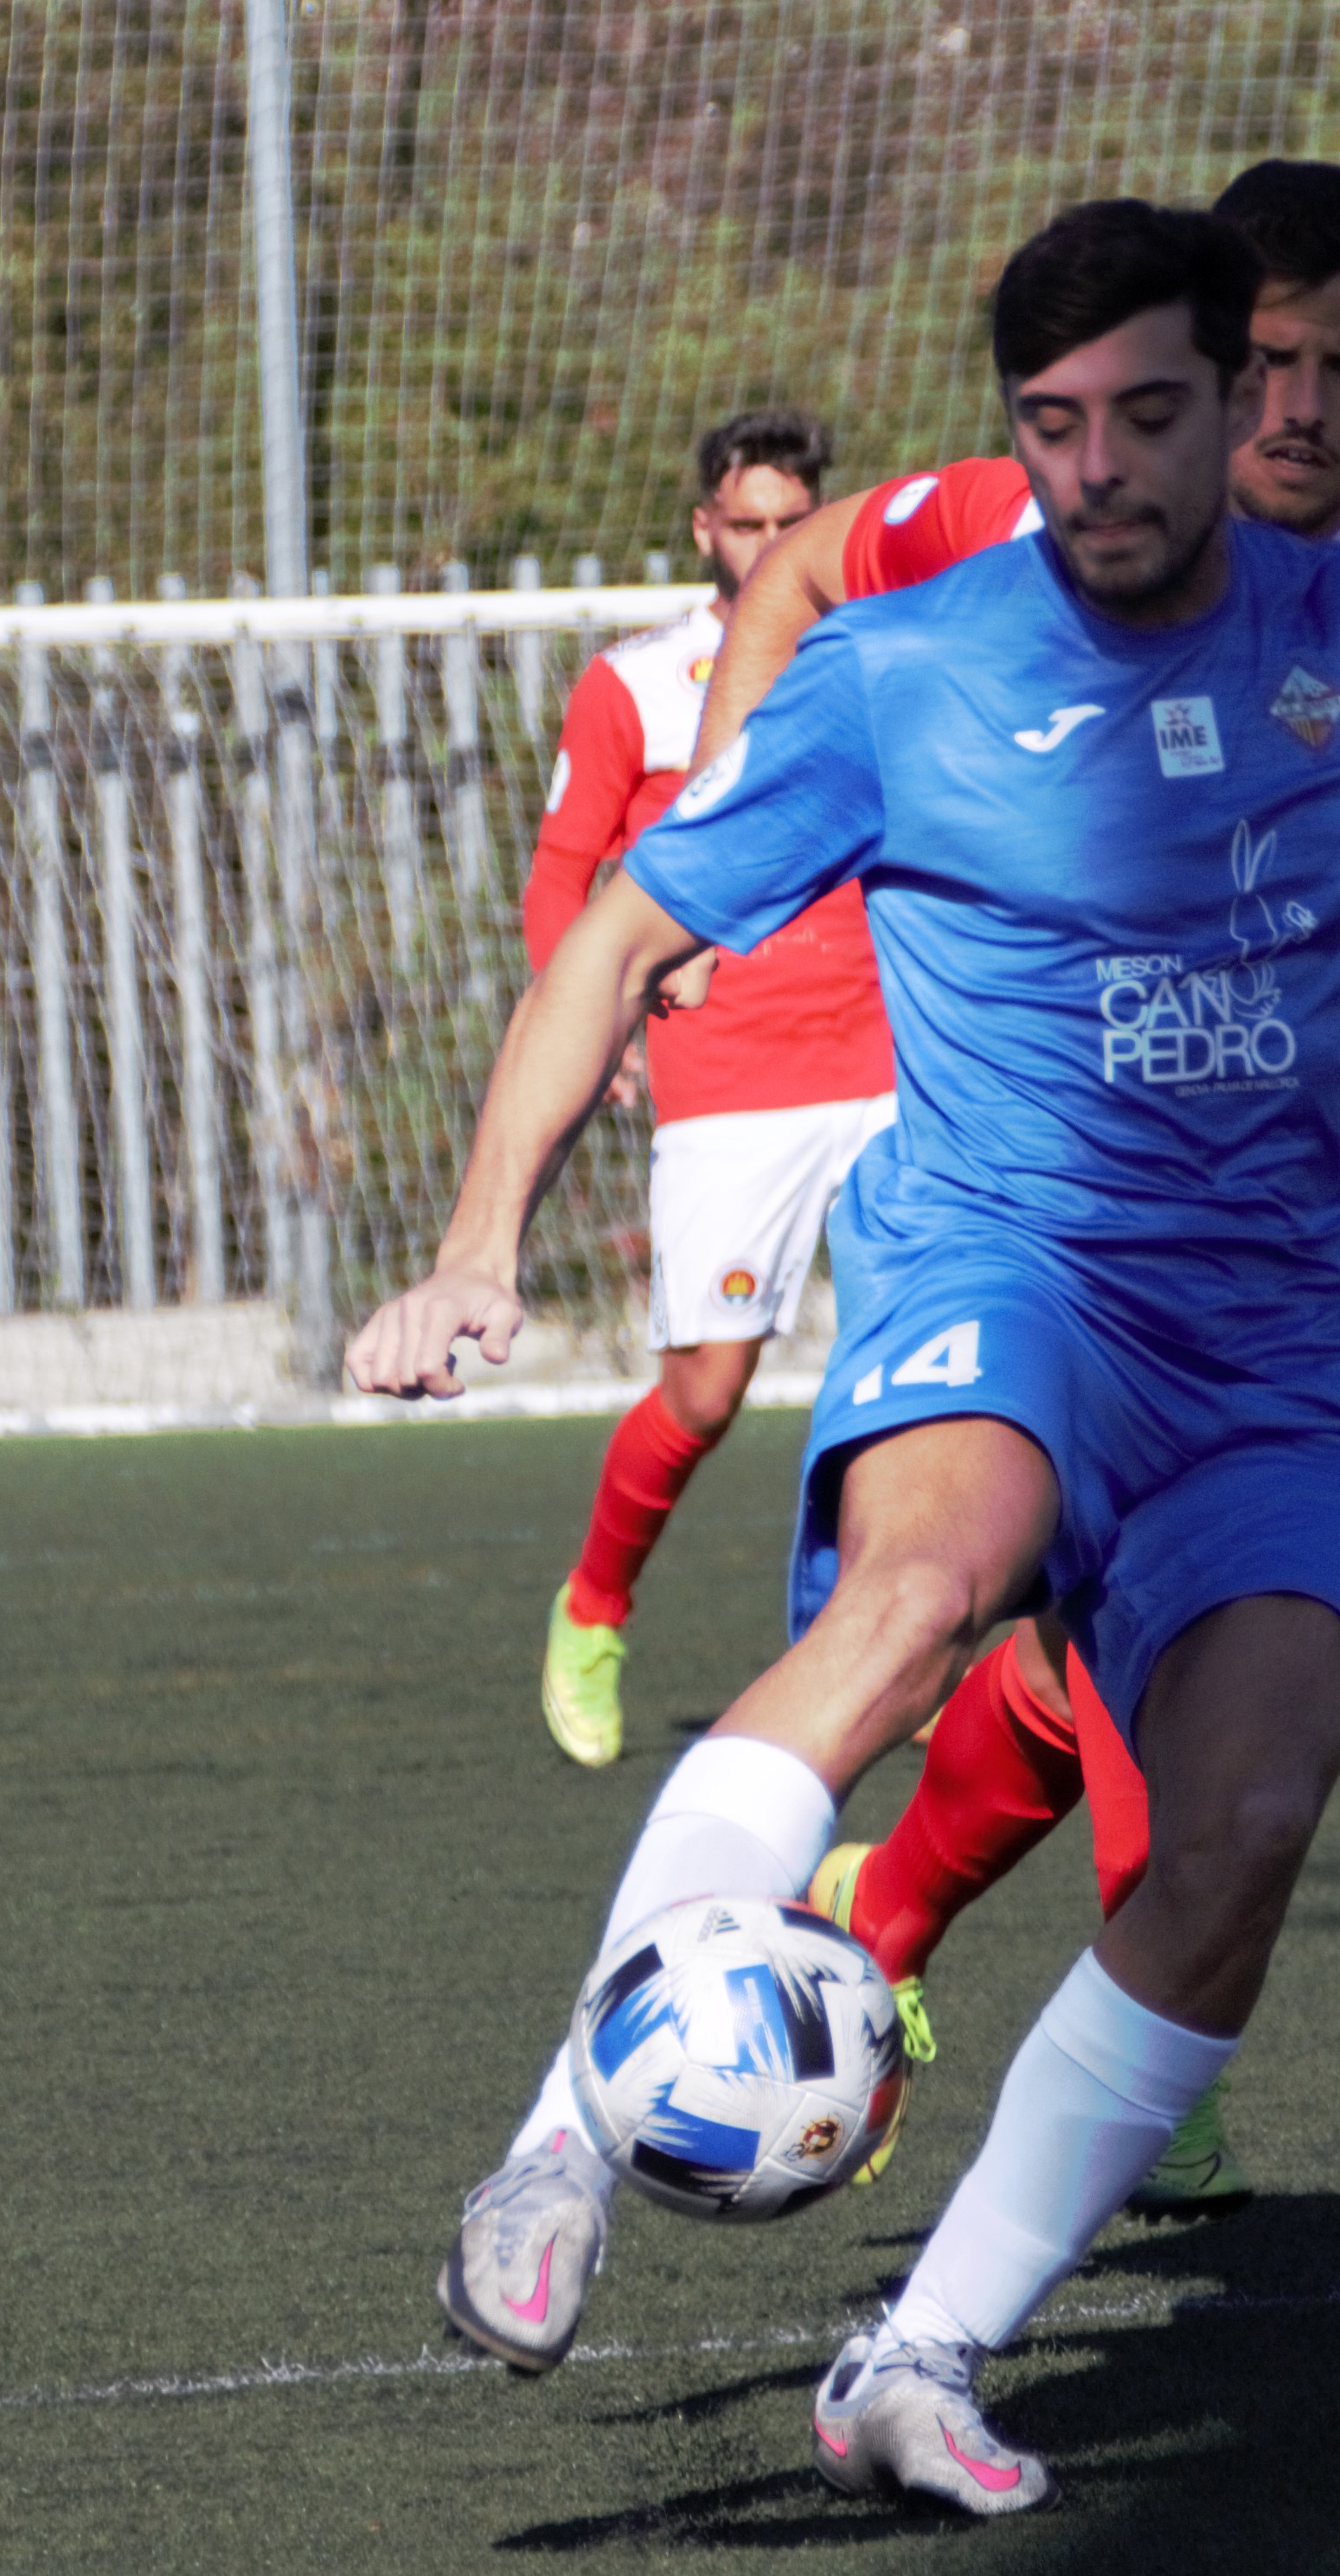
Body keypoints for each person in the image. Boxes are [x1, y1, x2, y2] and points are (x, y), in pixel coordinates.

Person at [351, 198, 1340, 2514]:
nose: (1109, 464)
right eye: (1056, 423)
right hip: (1016, 1261)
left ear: (1240, 395)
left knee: (1246, 1818)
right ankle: (563, 2143)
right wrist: (480, 1245)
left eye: (1157, 409)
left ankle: (921, 2354)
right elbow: (622, 935)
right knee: (916, 1598)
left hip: (1297, 1339)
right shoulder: (912, 666)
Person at [741, 159, 1340, 2211]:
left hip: (1299, 1232)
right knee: (1058, 1608)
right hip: (1033, 1197)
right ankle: (1103, 2029)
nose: (1295, 409)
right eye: (1259, 363)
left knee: (1132, 1641)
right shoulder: (1015, 525)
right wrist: (769, 845)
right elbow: (807, 570)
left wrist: (1302, 843)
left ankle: (891, 1910)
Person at [519, 408, 896, 1769]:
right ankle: (593, 1605)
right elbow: (563, 875)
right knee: (706, 1391)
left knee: (919, 1372)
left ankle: (882, 1640)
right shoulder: (637, 684)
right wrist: (594, 1020)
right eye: (747, 523)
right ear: (704, 529)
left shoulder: (881, 652)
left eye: (794, 522)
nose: (771, 544)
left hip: (892, 1066)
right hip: (730, 1081)